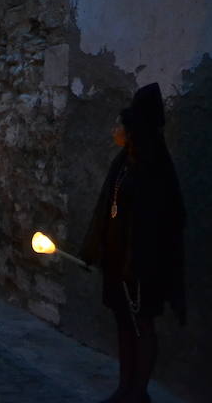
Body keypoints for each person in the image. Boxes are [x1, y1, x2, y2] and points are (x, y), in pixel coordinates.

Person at [81, 83, 186, 403]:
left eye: (120, 125)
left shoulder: (153, 168)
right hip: (118, 261)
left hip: (141, 264)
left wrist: (137, 261)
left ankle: (138, 392)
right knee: (124, 323)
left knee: (142, 325)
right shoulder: (123, 162)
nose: (115, 129)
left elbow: (159, 222)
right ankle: (125, 387)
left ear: (133, 130)